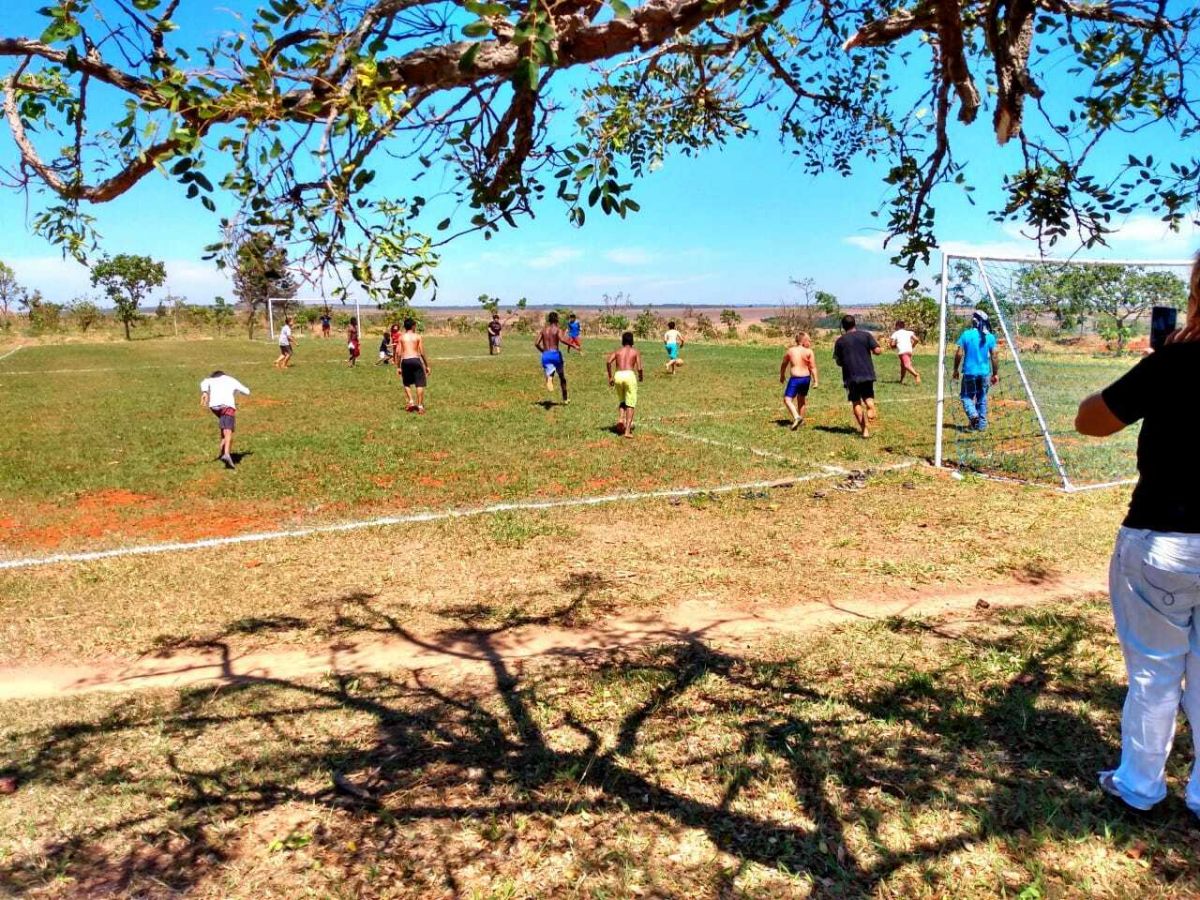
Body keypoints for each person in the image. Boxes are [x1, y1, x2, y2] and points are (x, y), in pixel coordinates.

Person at [1075, 252, 1200, 819]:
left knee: (1154, 671)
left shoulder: (1173, 363)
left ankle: (1140, 785)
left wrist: (1156, 369)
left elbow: (1090, 420)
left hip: (1162, 539)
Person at [832, 314, 882, 438]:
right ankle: (870, 406)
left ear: (843, 327)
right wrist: (878, 349)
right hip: (866, 372)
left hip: (851, 375)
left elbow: (838, 361)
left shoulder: (840, 341)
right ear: (855, 323)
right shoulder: (866, 335)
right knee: (868, 396)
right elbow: (877, 351)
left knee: (856, 402)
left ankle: (864, 430)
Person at [952, 310, 999, 430]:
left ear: (973, 321)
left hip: (969, 372)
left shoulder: (966, 334)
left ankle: (973, 415)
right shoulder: (990, 337)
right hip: (984, 373)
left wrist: (955, 369)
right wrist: (995, 373)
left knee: (966, 396)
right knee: (981, 398)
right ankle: (981, 425)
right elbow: (994, 355)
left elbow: (959, 353)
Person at [200, 370, 250, 470]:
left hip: (214, 407)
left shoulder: (211, 380)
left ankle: (222, 454)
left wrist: (205, 392)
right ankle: (226, 454)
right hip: (227, 406)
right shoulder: (230, 379)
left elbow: (204, 382)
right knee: (228, 431)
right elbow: (247, 392)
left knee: (224, 430)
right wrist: (237, 391)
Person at [606, 331, 644, 437]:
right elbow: (639, 368)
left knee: (622, 401)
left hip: (618, 375)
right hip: (629, 375)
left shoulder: (618, 351)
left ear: (622, 341)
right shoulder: (635, 352)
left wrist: (610, 377)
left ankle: (621, 420)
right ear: (632, 341)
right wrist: (641, 377)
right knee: (630, 404)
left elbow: (608, 362)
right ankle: (627, 431)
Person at [780, 332, 819, 430]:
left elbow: (784, 364)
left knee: (787, 400)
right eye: (809, 341)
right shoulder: (809, 352)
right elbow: (813, 367)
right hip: (806, 378)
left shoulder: (791, 351)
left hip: (795, 379)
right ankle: (801, 420)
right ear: (803, 341)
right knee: (801, 399)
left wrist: (782, 375)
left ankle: (797, 417)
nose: (810, 343)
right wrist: (815, 381)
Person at [395, 317, 431, 412]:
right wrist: (427, 365)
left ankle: (411, 401)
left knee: (406, 382)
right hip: (415, 360)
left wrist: (398, 366)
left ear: (405, 327)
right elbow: (422, 352)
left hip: (405, 360)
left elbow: (398, 353)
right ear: (413, 326)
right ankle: (420, 406)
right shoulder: (418, 337)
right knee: (420, 383)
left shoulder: (401, 337)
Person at [535, 311, 570, 404]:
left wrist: (543, 351)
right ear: (557, 319)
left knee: (550, 370)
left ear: (549, 320)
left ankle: (550, 378)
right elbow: (562, 339)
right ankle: (565, 399)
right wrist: (573, 345)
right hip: (555, 354)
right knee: (562, 377)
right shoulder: (557, 330)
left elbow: (536, 343)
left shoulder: (543, 330)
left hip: (546, 355)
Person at [889, 319, 921, 385]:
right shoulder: (909, 332)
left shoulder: (896, 333)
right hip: (909, 351)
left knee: (906, 365)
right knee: (903, 366)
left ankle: (916, 375)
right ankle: (901, 380)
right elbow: (916, 340)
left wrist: (893, 346)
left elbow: (892, 344)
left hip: (902, 351)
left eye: (895, 326)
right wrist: (912, 346)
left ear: (897, 326)